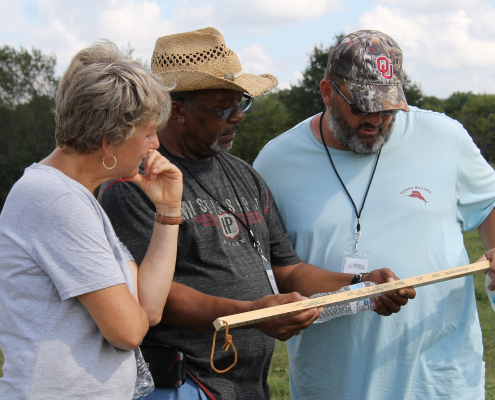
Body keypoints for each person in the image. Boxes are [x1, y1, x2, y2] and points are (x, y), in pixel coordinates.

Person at [99, 27, 414, 400]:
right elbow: (151, 298)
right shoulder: (135, 185)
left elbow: (288, 271)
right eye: (223, 107)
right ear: (176, 109)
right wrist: (251, 312)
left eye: (242, 104)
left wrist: (360, 286)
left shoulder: (243, 175)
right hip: (181, 385)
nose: (238, 118)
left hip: (244, 387)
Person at [253, 30, 495, 400]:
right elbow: (267, 269)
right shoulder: (275, 161)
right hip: (331, 385)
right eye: (362, 107)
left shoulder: (444, 137)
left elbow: (489, 204)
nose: (376, 120)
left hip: (442, 381)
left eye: (387, 108)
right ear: (328, 92)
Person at [0, 41, 183, 399]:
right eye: (148, 133)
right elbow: (128, 331)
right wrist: (132, 316)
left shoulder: (76, 196)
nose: (156, 144)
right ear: (107, 141)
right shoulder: (57, 200)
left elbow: (149, 307)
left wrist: (168, 211)